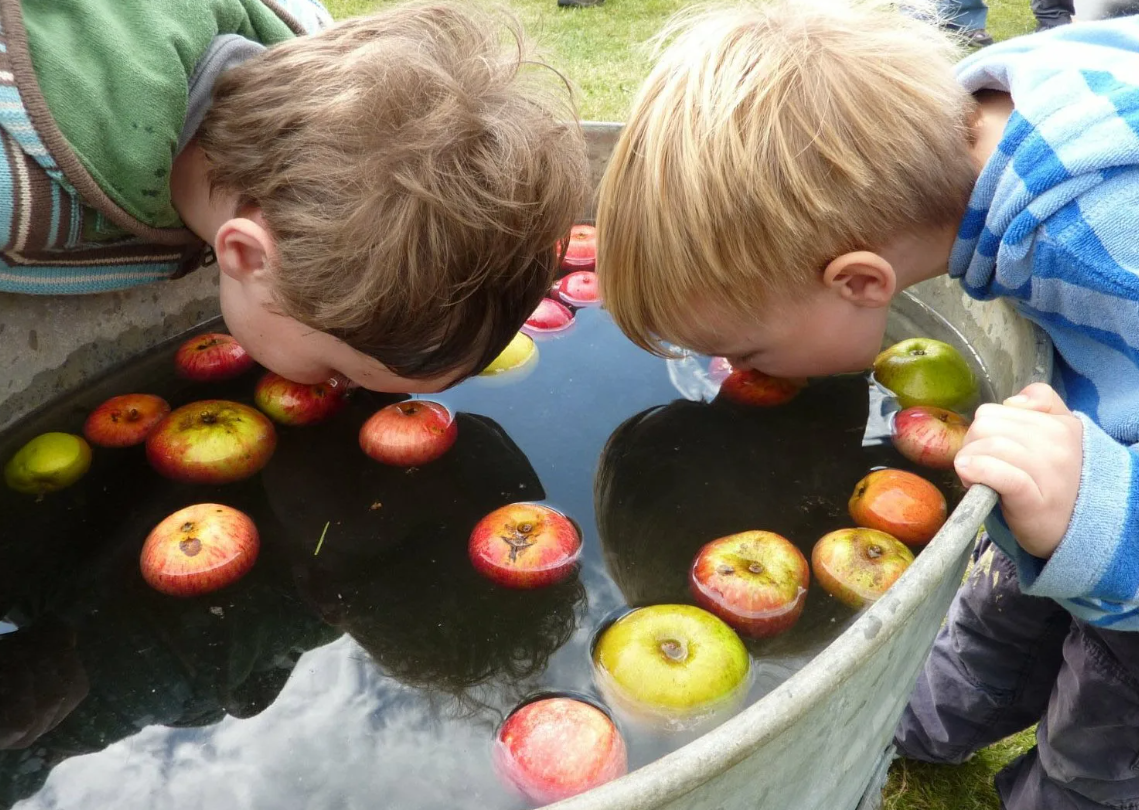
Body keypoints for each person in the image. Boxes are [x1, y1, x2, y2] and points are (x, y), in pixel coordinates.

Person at [595, 2, 1139, 806]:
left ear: (858, 283)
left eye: (747, 352)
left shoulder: (1102, 241)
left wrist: (1102, 518)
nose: (731, 369)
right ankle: (923, 720)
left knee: (1102, 731)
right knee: (1002, 610)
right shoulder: (1002, 111)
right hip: (1075, 443)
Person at [0, 0, 588, 394]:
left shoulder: (316, 70)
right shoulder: (22, 198)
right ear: (249, 256)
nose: (340, 390)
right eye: (340, 373)